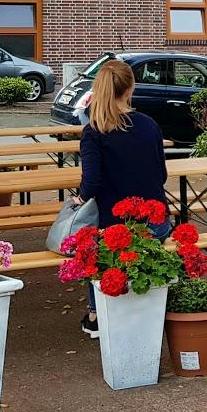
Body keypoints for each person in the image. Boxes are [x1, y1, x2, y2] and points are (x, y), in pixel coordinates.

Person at [73, 58, 171, 338]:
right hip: (156, 223)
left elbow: (91, 182)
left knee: (90, 242)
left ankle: (95, 315)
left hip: (113, 226)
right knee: (110, 241)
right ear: (130, 89)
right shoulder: (149, 125)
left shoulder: (94, 131)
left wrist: (79, 199)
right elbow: (161, 175)